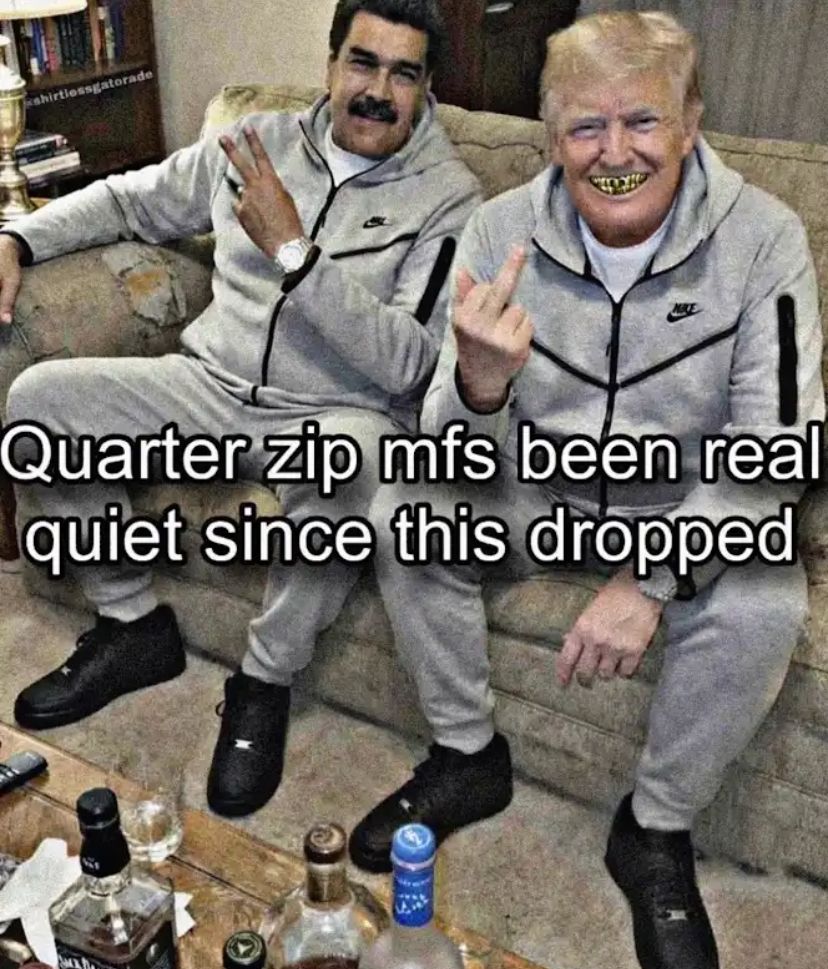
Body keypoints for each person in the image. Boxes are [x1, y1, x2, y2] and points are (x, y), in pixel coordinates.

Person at [349, 12, 824, 969]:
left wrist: (651, 581)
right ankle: (467, 755)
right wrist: (479, 384)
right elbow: (446, 435)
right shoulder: (498, 230)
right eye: (585, 127)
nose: (615, 153)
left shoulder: (767, 240)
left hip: (678, 508)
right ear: (550, 133)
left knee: (766, 596)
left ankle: (654, 829)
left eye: (641, 121)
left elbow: (776, 447)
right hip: (537, 490)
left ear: (690, 121)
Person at [2, 0, 480, 819]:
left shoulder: (450, 201)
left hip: (332, 415)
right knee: (40, 403)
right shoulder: (255, 145)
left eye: (404, 74)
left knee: (359, 457)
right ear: (330, 64)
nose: (378, 91)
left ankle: (264, 682)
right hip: (208, 387)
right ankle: (131, 626)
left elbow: (411, 365)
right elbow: (127, 201)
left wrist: (296, 253)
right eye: (363, 62)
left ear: (427, 86)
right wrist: (19, 239)